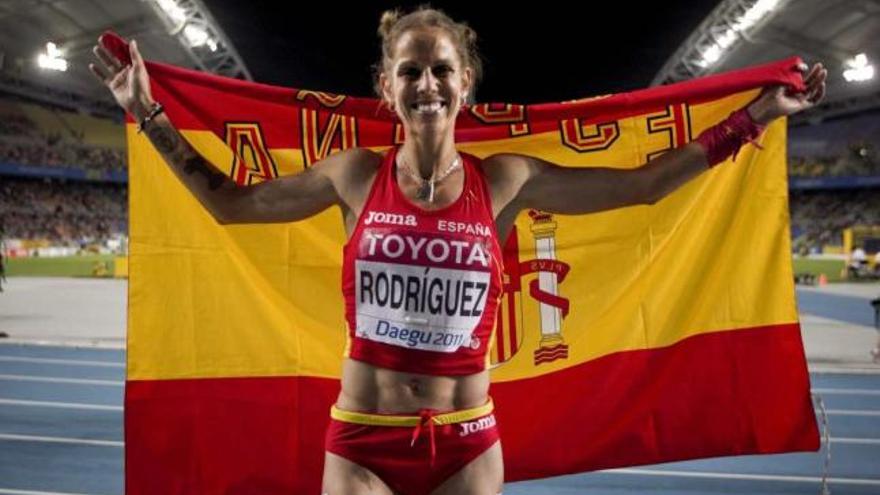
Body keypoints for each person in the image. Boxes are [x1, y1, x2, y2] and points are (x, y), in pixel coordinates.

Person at [89, 6, 827, 495]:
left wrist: (758, 115)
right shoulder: (353, 174)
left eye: (441, 68)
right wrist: (146, 112)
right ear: (387, 86)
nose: (427, 83)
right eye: (410, 70)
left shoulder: (506, 180)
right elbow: (229, 203)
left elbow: (643, 186)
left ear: (465, 84)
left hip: (470, 444)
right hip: (362, 441)